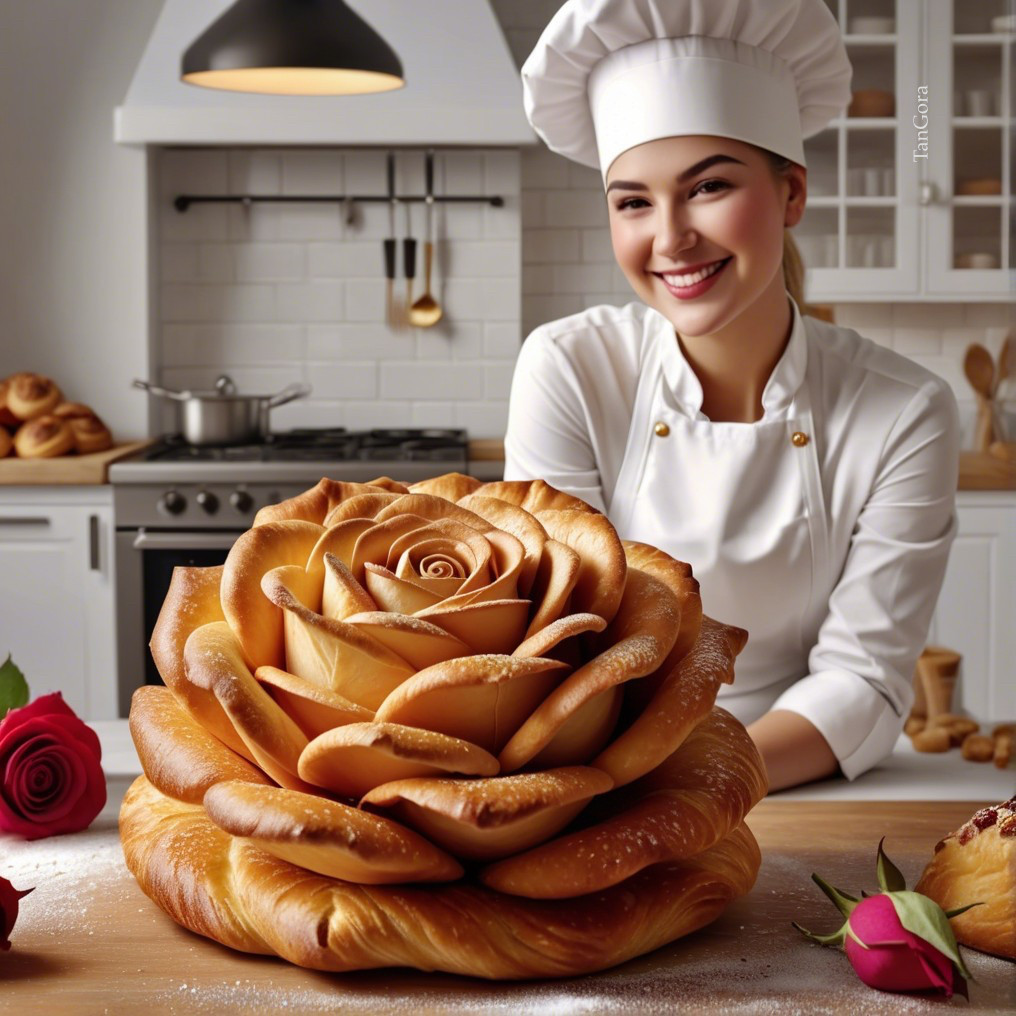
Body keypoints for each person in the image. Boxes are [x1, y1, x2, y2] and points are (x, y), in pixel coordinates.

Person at [504, 0, 960, 792]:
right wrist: (625, 783)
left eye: (708, 186)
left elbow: (864, 679)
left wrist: (697, 780)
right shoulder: (569, 368)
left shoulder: (904, 410)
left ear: (791, 196)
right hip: (600, 770)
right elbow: (553, 635)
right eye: (633, 201)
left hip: (793, 774)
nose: (671, 237)